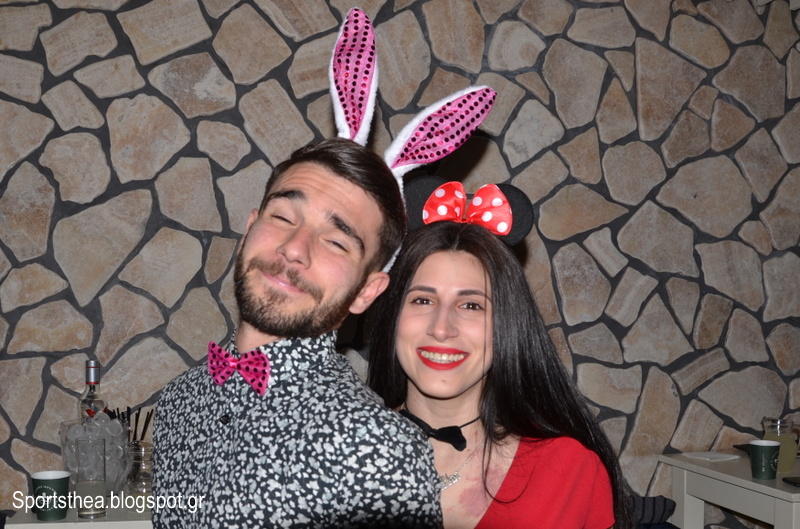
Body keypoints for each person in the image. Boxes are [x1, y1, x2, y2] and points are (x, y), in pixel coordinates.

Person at [151, 138, 442, 528]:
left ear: (366, 292)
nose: (294, 249)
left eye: (336, 242)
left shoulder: (380, 449)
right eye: (284, 217)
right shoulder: (177, 401)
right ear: (248, 232)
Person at [367, 185, 634, 529]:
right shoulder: (338, 450)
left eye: (471, 305)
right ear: (392, 315)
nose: (442, 328)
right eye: (423, 300)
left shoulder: (568, 469)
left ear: (505, 325)